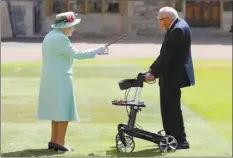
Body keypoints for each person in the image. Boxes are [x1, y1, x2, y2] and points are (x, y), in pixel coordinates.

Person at [37, 11, 108, 151]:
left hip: (51, 78)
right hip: (61, 79)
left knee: (56, 111)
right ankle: (60, 142)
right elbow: (78, 55)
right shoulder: (61, 38)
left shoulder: (50, 35)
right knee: (63, 111)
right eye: (72, 25)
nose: (74, 29)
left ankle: (54, 140)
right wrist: (97, 50)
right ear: (65, 26)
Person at [145, 6, 195, 150]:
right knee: (167, 107)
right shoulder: (177, 25)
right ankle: (171, 135)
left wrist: (153, 73)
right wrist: (152, 68)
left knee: (171, 108)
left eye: (160, 20)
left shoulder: (178, 30)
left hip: (173, 74)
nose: (159, 23)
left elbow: (169, 57)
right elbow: (165, 54)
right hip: (170, 73)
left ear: (167, 19)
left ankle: (180, 139)